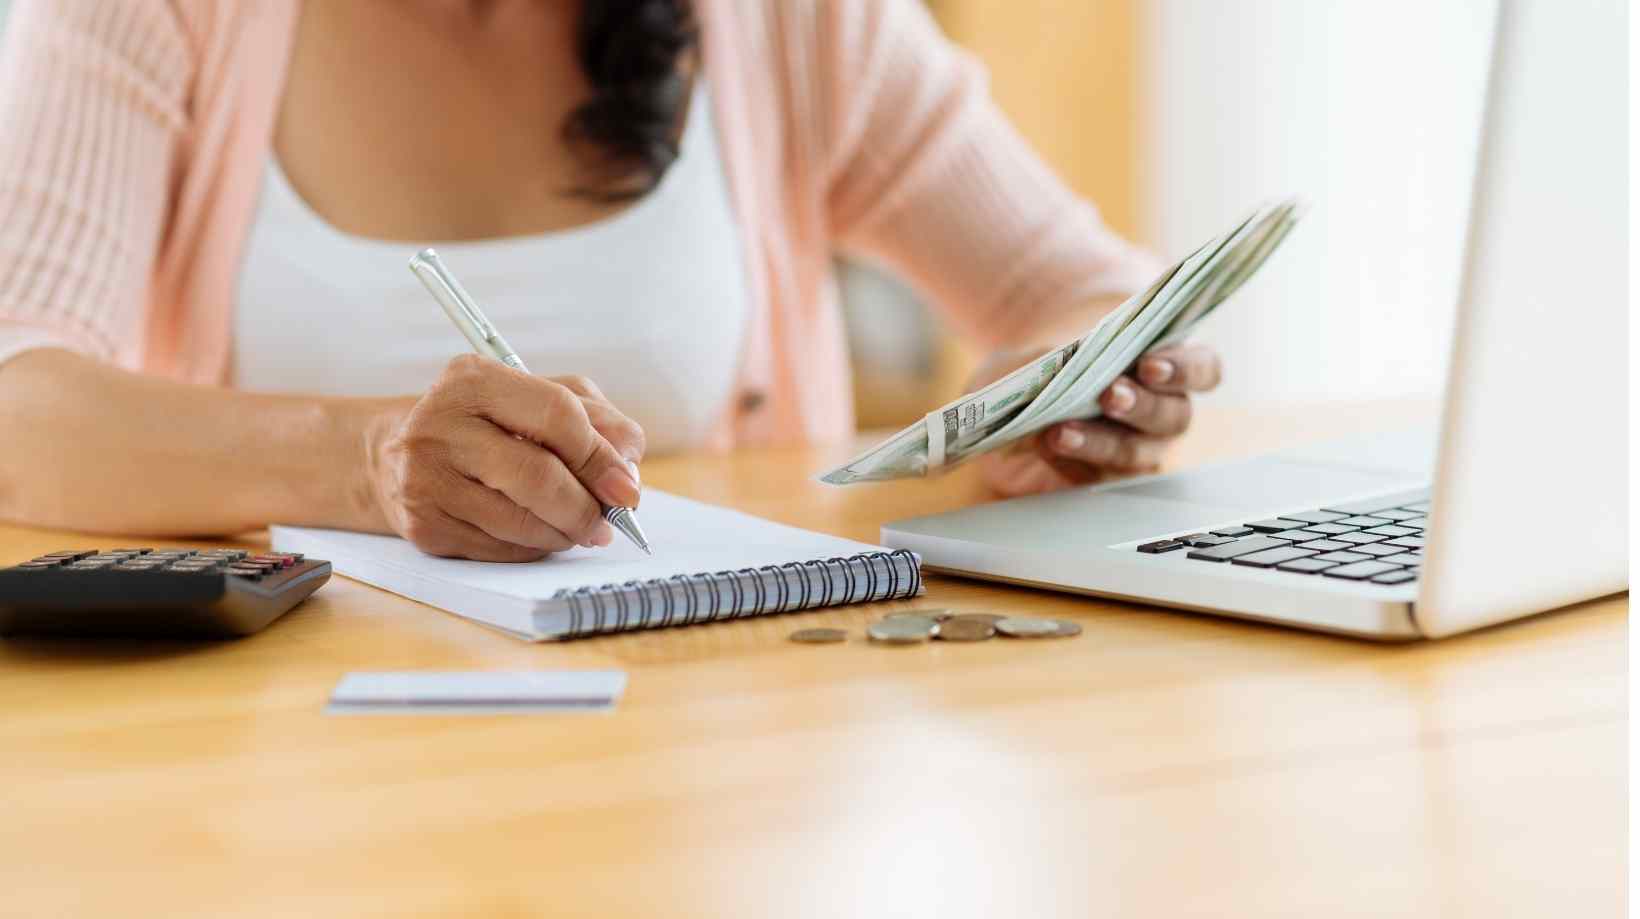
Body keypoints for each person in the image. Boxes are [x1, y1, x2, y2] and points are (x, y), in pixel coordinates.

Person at [0, 0, 1222, 562]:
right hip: (269, 767)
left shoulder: (785, 22)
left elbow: (1077, 290)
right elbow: (20, 402)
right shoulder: (146, 12)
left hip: (706, 752)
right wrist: (369, 463)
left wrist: (1081, 395)